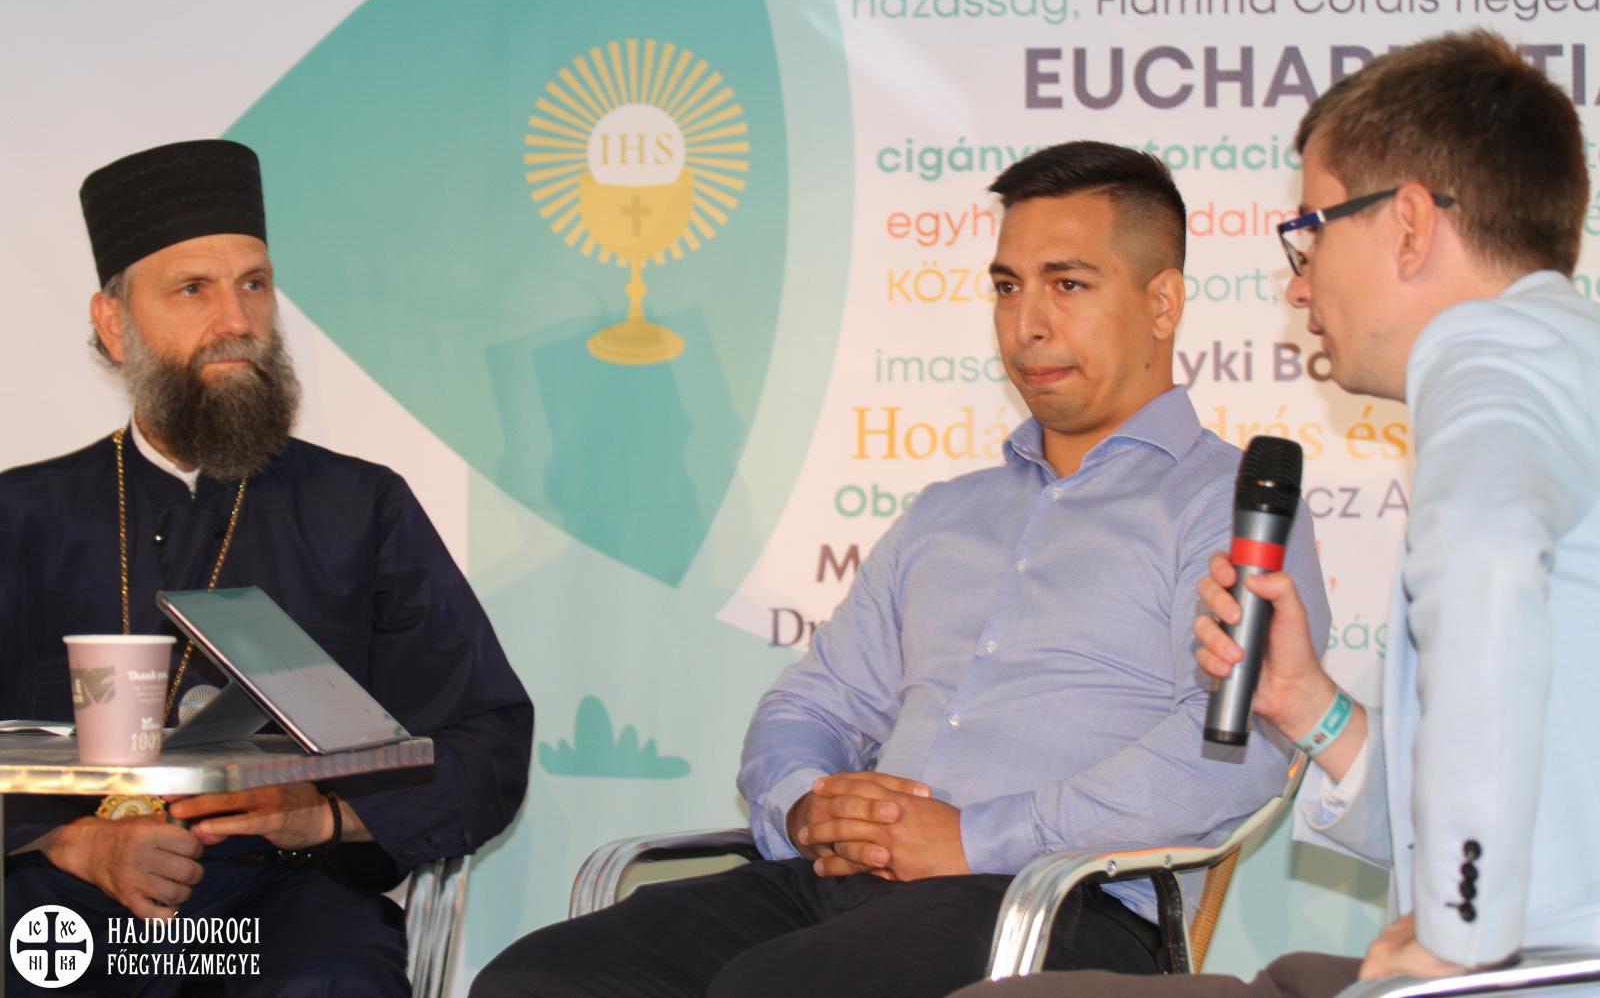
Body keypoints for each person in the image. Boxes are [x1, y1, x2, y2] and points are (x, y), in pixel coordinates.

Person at [470, 141, 1329, 998]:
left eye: (1068, 285)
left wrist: (974, 838)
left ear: (1163, 302)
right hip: (841, 884)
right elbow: (813, 704)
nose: (1027, 324)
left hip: (1053, 905)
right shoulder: (945, 515)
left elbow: (1231, 750)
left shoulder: (1229, 507)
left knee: (778, 989)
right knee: (538, 979)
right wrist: (806, 804)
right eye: (1007, 287)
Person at [951, 29, 1600, 998]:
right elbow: (1532, 802)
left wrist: (1460, 933)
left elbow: (1487, 570)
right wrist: (1307, 704)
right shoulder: (1558, 363)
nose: (1298, 283)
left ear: (1409, 225)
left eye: (1312, 233)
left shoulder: (1495, 376)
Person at [2, 139, 535, 997]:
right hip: (61, 893)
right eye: (193, 289)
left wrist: (324, 815)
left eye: (253, 284)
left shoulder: (360, 509)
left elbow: (488, 736)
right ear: (114, 323)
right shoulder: (21, 515)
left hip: (282, 897)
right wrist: (71, 840)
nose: (237, 321)